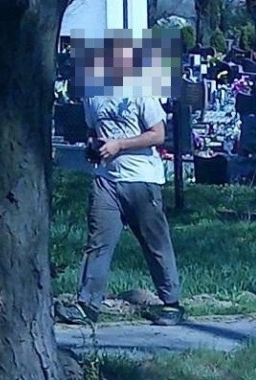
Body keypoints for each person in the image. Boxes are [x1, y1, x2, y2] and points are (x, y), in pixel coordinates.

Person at [57, 34, 185, 327]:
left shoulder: (140, 91)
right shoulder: (92, 95)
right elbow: (94, 130)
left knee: (155, 241)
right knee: (98, 243)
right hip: (106, 179)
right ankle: (88, 304)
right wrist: (95, 147)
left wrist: (119, 145)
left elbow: (157, 135)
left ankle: (171, 302)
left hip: (141, 177)